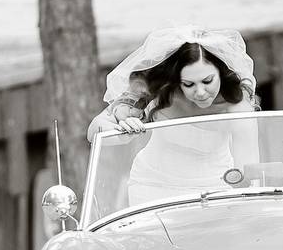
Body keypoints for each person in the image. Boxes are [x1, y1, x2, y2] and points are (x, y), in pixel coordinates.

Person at [88, 25, 260, 205]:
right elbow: (93, 132)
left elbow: (248, 168)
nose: (200, 92)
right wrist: (121, 131)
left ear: (221, 73)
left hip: (215, 185)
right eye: (189, 84)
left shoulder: (237, 105)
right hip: (153, 185)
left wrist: (242, 192)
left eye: (207, 81)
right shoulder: (158, 91)